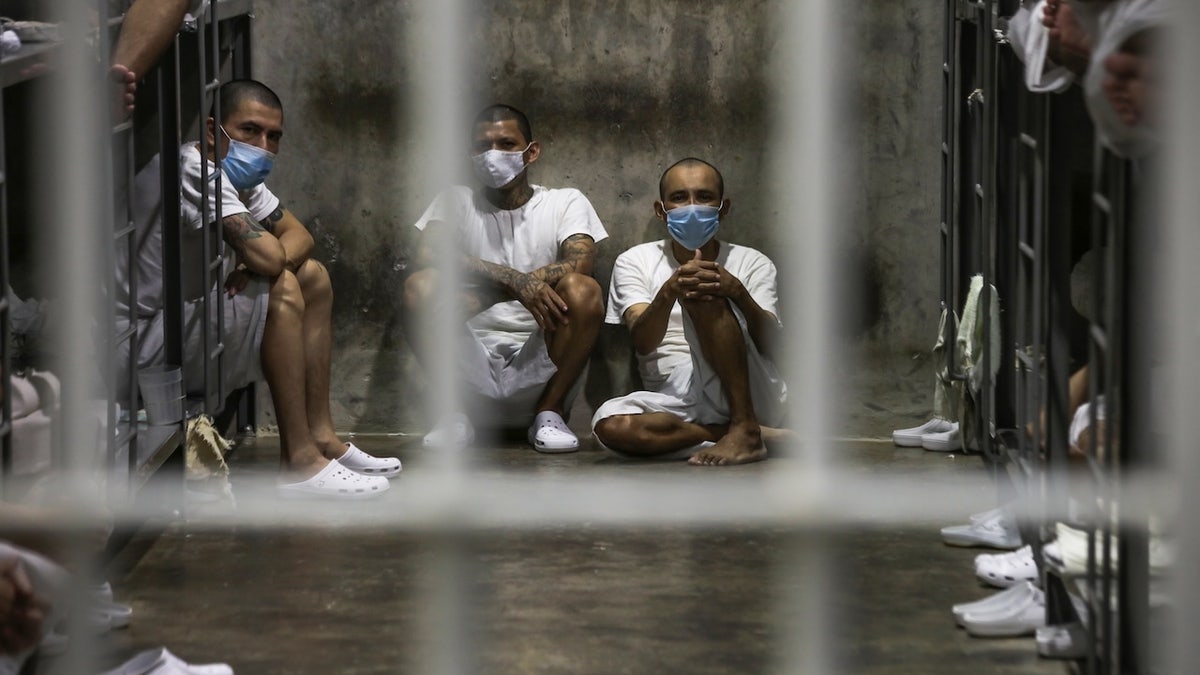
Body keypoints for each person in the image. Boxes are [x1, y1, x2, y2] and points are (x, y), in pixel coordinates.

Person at [121, 79, 399, 499]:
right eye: (250, 130)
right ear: (214, 131)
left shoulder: (232, 172)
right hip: (134, 343)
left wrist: (256, 266)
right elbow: (270, 257)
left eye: (274, 136)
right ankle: (299, 463)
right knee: (285, 285)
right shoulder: (193, 170)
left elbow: (299, 236)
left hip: (169, 329)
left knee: (314, 277)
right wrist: (264, 262)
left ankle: (321, 437)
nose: (263, 145)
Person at [403, 104, 608, 453]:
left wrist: (488, 295)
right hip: (468, 358)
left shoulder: (564, 201)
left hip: (542, 353)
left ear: (532, 152)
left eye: (506, 143)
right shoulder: (456, 200)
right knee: (419, 286)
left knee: (584, 290)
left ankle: (550, 411)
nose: (493, 154)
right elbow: (428, 255)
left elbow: (581, 260)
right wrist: (513, 281)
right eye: (482, 145)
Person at [591, 158, 787, 466]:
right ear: (661, 209)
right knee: (611, 426)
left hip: (747, 387)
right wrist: (670, 290)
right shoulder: (636, 260)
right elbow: (643, 342)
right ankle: (748, 434)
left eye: (704, 197)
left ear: (723, 208)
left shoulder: (752, 262)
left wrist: (736, 292)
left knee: (702, 285)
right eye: (680, 198)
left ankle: (744, 420)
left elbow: (773, 347)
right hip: (675, 396)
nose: (692, 206)